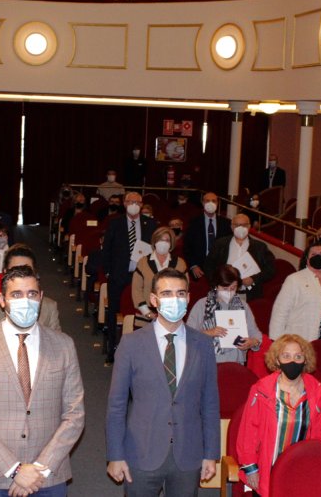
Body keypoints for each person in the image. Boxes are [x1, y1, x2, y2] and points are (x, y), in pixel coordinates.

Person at [0, 265, 85, 497]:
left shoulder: (64, 345)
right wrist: (15, 470)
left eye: (32, 294)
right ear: (1, 300)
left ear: (41, 298)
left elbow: (75, 415)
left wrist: (39, 469)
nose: (25, 301)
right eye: (16, 294)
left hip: (47, 477)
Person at [106, 269, 220, 496]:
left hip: (188, 452)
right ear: (154, 300)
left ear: (188, 298)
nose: (174, 300)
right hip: (141, 452)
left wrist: (211, 453)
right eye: (166, 293)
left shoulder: (204, 345)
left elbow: (210, 404)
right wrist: (115, 455)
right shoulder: (131, 344)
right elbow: (116, 405)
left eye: (180, 293)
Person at [235, 334, 321, 496]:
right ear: (277, 360)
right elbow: (248, 433)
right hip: (266, 471)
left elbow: (318, 437)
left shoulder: (316, 392)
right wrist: (251, 469)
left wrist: (315, 468)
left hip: (301, 472)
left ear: (305, 360)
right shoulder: (260, 390)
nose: (292, 361)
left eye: (298, 356)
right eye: (286, 356)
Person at [102, 191, 157, 361]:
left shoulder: (150, 224)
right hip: (119, 275)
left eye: (138, 202)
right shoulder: (115, 223)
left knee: (143, 312)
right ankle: (113, 348)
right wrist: (109, 271)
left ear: (141, 205)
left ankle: (143, 350)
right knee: (113, 312)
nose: (134, 204)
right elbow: (107, 250)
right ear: (124, 204)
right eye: (130, 201)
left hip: (142, 277)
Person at [0, 245, 62, 332]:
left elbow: (57, 342)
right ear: (5, 272)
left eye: (27, 271)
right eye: (15, 271)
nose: (22, 277)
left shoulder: (49, 307)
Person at [187, 265, 262, 364]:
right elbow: (187, 336)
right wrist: (208, 333)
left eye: (233, 288)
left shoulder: (242, 305)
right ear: (215, 286)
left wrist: (252, 342)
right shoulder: (202, 305)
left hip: (235, 362)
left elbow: (255, 334)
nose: (229, 292)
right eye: (225, 288)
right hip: (206, 361)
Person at [205, 213, 275, 301]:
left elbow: (271, 269)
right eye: (237, 225)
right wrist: (218, 283)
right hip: (223, 293)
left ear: (249, 227)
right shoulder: (220, 244)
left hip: (249, 295)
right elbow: (208, 265)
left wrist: (253, 279)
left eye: (244, 225)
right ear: (231, 227)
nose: (241, 228)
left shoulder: (260, 247)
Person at [132, 227, 187, 322]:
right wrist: (147, 312)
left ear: (171, 243)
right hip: (146, 316)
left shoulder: (180, 263)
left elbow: (184, 290)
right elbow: (136, 290)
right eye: (160, 239)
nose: (163, 242)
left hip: (173, 316)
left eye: (167, 240)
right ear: (154, 242)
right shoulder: (143, 262)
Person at [184, 192, 230, 279]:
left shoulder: (226, 223)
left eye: (214, 201)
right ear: (202, 203)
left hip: (220, 269)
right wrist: (193, 265)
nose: (211, 203)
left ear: (217, 203)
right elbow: (187, 247)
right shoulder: (193, 222)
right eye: (207, 201)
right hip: (199, 269)